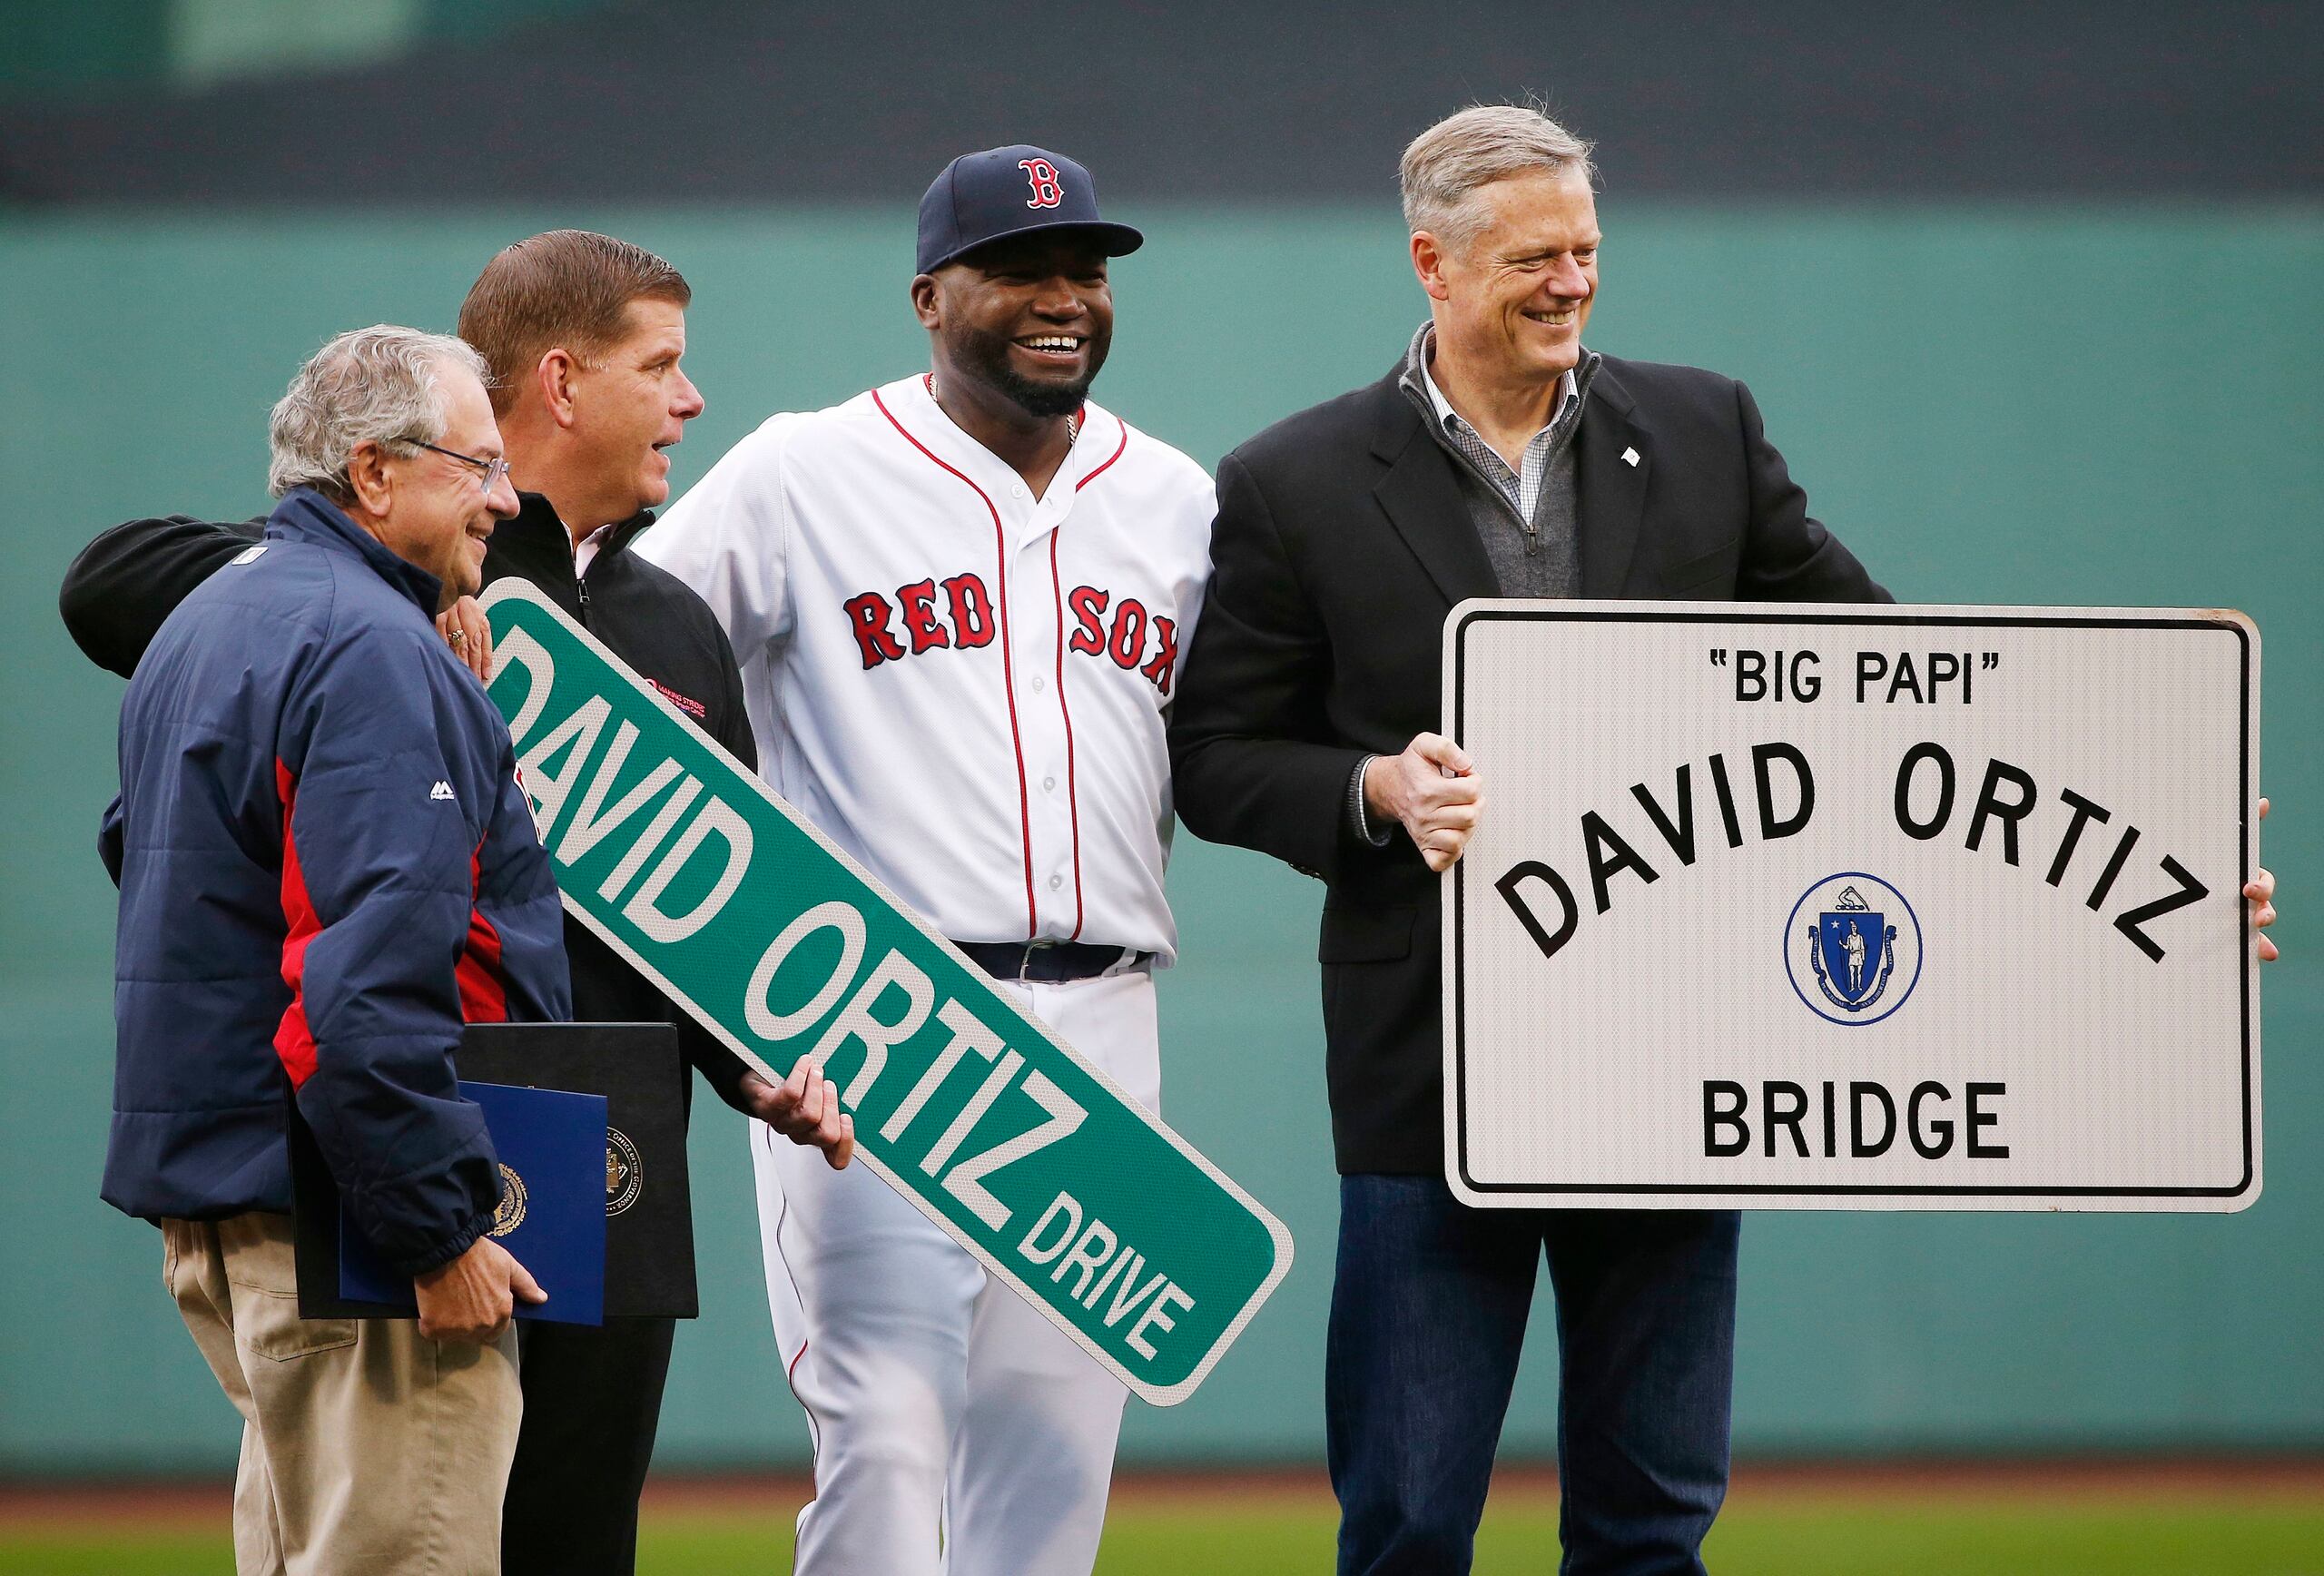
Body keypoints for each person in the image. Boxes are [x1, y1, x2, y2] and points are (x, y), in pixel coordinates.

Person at [1167, 104, 2281, 1576]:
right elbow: (1216, 759)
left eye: (1587, 251)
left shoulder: (1705, 430)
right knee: (1407, 1523)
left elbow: (1906, 694)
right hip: (1430, 1079)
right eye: (1533, 259)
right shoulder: (1294, 481)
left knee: (1651, 1528)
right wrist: (1373, 788)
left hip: (1675, 1067)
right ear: (1431, 264)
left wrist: (2165, 856)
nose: (1572, 284)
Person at [60, 231, 853, 1576]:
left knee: (550, 1535)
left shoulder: (669, 621)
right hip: (415, 1152)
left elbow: (718, 909)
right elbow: (106, 582)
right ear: (557, 382)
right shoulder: (357, 606)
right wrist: (365, 591)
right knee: (412, 1528)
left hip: (590, 1155)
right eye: (660, 364)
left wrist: (754, 1067)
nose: (689, 398)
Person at [633, 144, 1214, 1576]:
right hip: (879, 1015)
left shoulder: (1179, 503)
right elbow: (628, 646)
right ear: (928, 295)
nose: (1061, 296)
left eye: (1085, 269)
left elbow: (1240, 744)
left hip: (1102, 1027)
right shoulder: (801, 472)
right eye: (1018, 271)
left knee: (1053, 1466)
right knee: (886, 1451)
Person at [103, 326, 566, 1574]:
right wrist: (434, 1228)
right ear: (373, 472)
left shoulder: (209, 620)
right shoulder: (368, 646)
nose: (506, 498)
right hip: (349, 1225)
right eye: (477, 465)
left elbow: (154, 867)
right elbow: (360, 984)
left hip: (237, 1203)